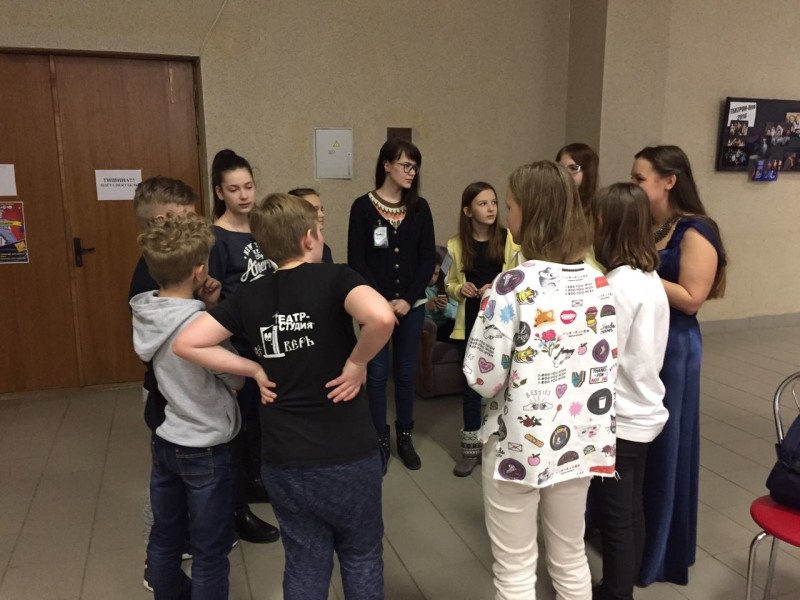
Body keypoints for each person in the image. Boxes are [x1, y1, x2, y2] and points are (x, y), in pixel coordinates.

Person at [173, 193, 395, 600]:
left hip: (285, 459)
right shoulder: (336, 277)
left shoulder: (250, 294)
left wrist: (254, 368)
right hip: (347, 454)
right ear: (310, 237)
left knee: (305, 561)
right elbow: (381, 317)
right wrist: (356, 362)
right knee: (361, 556)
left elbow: (187, 342)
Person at [465, 161, 617, 599]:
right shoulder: (598, 283)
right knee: (570, 555)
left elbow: (482, 377)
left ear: (530, 213)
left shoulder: (511, 285)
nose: (507, 215)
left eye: (511, 206)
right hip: (580, 440)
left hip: (517, 444)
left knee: (514, 570)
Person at [131, 212, 242, 599]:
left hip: (166, 439)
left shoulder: (146, 313)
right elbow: (235, 377)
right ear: (199, 271)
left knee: (165, 535)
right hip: (205, 445)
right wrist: (211, 312)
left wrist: (202, 304)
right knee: (210, 549)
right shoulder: (200, 327)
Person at [631, 145, 727, 586]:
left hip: (674, 347)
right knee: (637, 445)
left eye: (640, 179)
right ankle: (630, 535)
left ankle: (661, 551)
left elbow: (691, 298)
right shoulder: (649, 226)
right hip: (644, 341)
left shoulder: (696, 230)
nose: (634, 186)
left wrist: (636, 272)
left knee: (667, 444)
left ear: (669, 181)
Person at [590, 183, 670, 600]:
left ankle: (617, 592)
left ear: (607, 224)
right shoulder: (649, 278)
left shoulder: (617, 286)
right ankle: (623, 586)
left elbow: (602, 356)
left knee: (617, 516)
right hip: (645, 412)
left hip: (622, 421)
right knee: (632, 506)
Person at [129, 176, 209, 591]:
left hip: (171, 389)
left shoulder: (164, 268)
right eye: (184, 220)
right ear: (160, 222)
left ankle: (180, 543)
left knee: (172, 476)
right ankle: (155, 558)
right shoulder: (150, 277)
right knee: (162, 482)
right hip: (165, 392)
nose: (193, 227)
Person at [347, 137, 435, 472]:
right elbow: (357, 260)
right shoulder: (362, 207)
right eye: (405, 165)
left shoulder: (420, 208)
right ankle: (378, 439)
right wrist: (381, 303)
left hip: (412, 306)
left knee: (405, 372)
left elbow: (426, 260)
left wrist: (408, 299)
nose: (412, 172)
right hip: (374, 308)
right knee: (377, 373)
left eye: (415, 167)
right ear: (387, 165)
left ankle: (405, 436)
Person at [209, 149, 279, 543]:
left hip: (271, 340)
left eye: (249, 186)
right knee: (240, 426)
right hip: (238, 347)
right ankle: (239, 505)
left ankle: (256, 479)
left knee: (262, 421)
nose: (244, 195)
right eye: (234, 189)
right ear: (220, 192)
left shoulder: (262, 228)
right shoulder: (216, 238)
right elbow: (213, 305)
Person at [445, 181, 518, 477]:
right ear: (467, 211)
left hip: (503, 324)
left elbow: (518, 276)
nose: (491, 209)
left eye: (494, 202)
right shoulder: (455, 245)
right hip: (471, 326)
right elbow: (448, 283)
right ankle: (471, 451)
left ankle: (505, 445)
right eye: (483, 203)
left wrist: (496, 286)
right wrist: (460, 290)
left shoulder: (509, 238)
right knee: (471, 387)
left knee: (509, 385)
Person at [288, 187, 334, 262]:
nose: (322, 214)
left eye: (322, 209)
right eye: (314, 210)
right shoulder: (282, 250)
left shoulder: (324, 250)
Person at [423, 246, 458, 342]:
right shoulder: (417, 286)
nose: (432, 278)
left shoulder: (445, 285)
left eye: (436, 274)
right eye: (429, 273)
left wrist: (445, 307)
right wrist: (426, 307)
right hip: (426, 325)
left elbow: (458, 312)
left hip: (445, 325)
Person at [556, 143, 600, 213]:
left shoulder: (600, 209)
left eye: (573, 168)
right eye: (560, 168)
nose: (565, 173)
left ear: (588, 172)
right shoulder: (553, 203)